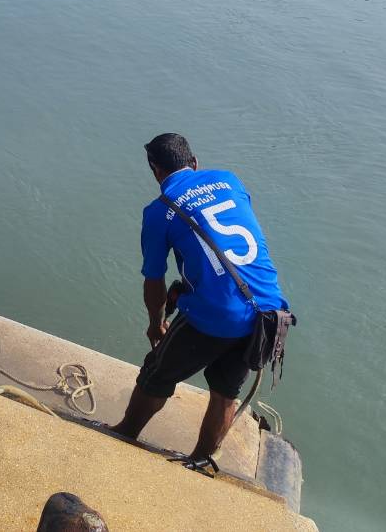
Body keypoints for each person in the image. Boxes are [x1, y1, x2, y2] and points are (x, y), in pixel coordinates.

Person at [112, 133, 288, 474]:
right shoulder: (229, 180)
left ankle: (124, 435)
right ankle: (201, 462)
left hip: (214, 315)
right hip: (266, 312)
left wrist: (155, 322)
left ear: (155, 170)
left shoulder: (158, 212)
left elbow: (153, 279)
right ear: (194, 163)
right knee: (225, 393)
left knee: (156, 375)